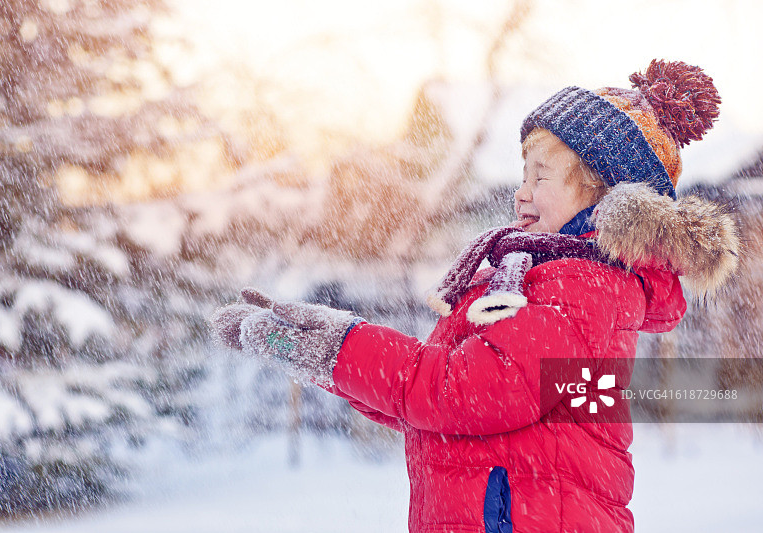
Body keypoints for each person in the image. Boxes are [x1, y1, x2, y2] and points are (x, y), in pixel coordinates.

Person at [212, 59, 740, 533]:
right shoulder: (535, 278)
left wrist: (344, 346)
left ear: (605, 197)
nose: (521, 190)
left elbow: (468, 391)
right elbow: (432, 403)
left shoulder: (583, 289)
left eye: (542, 175)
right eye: (522, 173)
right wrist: (322, 353)